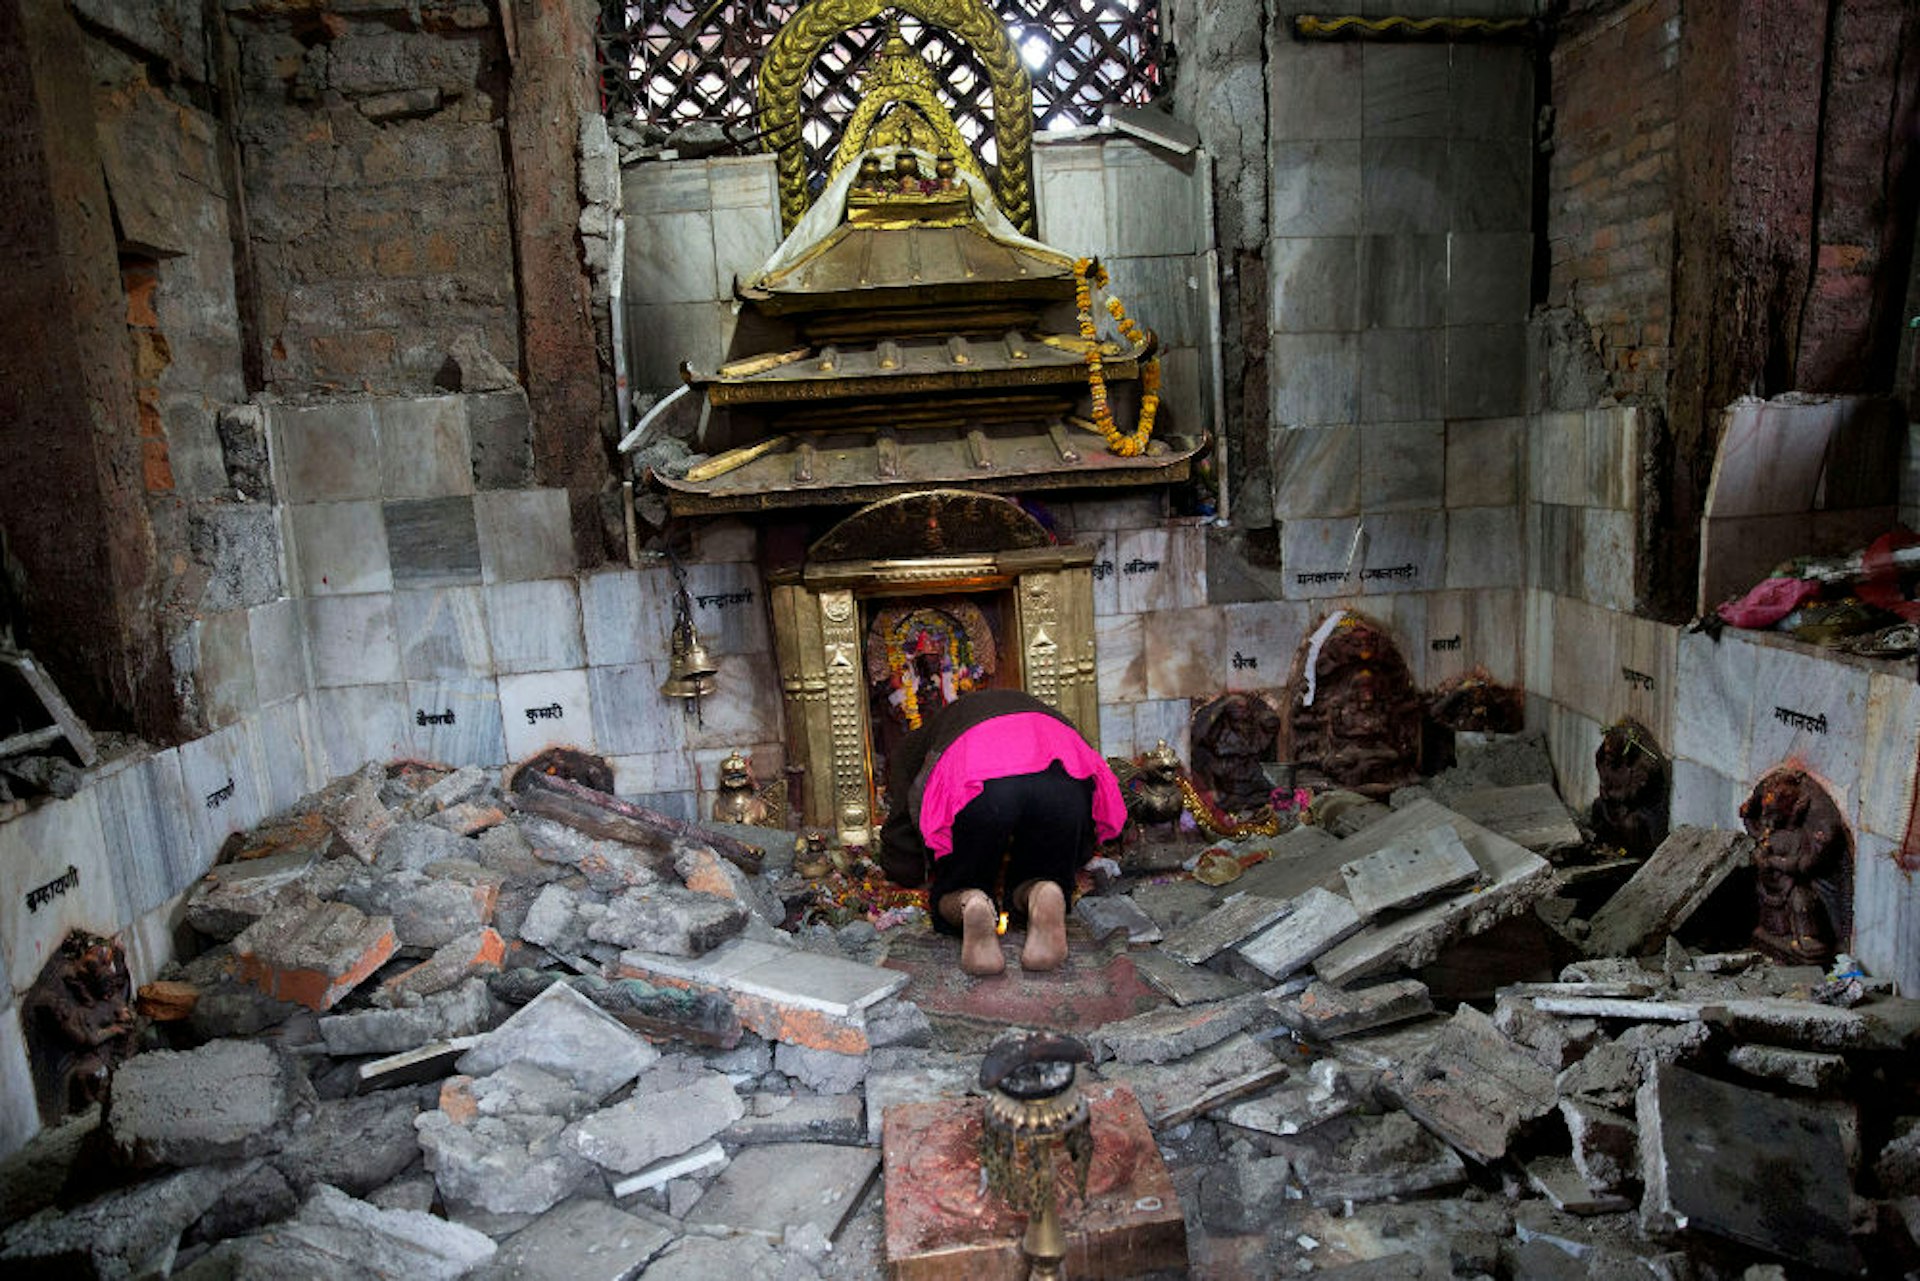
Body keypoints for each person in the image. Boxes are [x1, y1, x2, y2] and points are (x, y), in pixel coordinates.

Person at [879, 688, 1125, 976]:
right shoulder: (1043, 711)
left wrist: (906, 868)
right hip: (1061, 773)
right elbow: (1087, 804)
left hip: (979, 779)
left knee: (956, 886)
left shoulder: (917, 741)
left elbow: (902, 827)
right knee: (1042, 872)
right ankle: (1043, 890)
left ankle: (970, 902)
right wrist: (1075, 856)